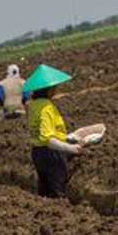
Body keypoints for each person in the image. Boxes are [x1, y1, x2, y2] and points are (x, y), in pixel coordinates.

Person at [23, 65, 81, 198]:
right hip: (51, 154)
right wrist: (71, 149)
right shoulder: (46, 107)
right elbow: (48, 139)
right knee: (57, 190)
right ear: (48, 90)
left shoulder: (34, 105)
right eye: (54, 87)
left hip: (37, 152)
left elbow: (44, 132)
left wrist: (68, 138)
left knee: (44, 190)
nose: (56, 90)